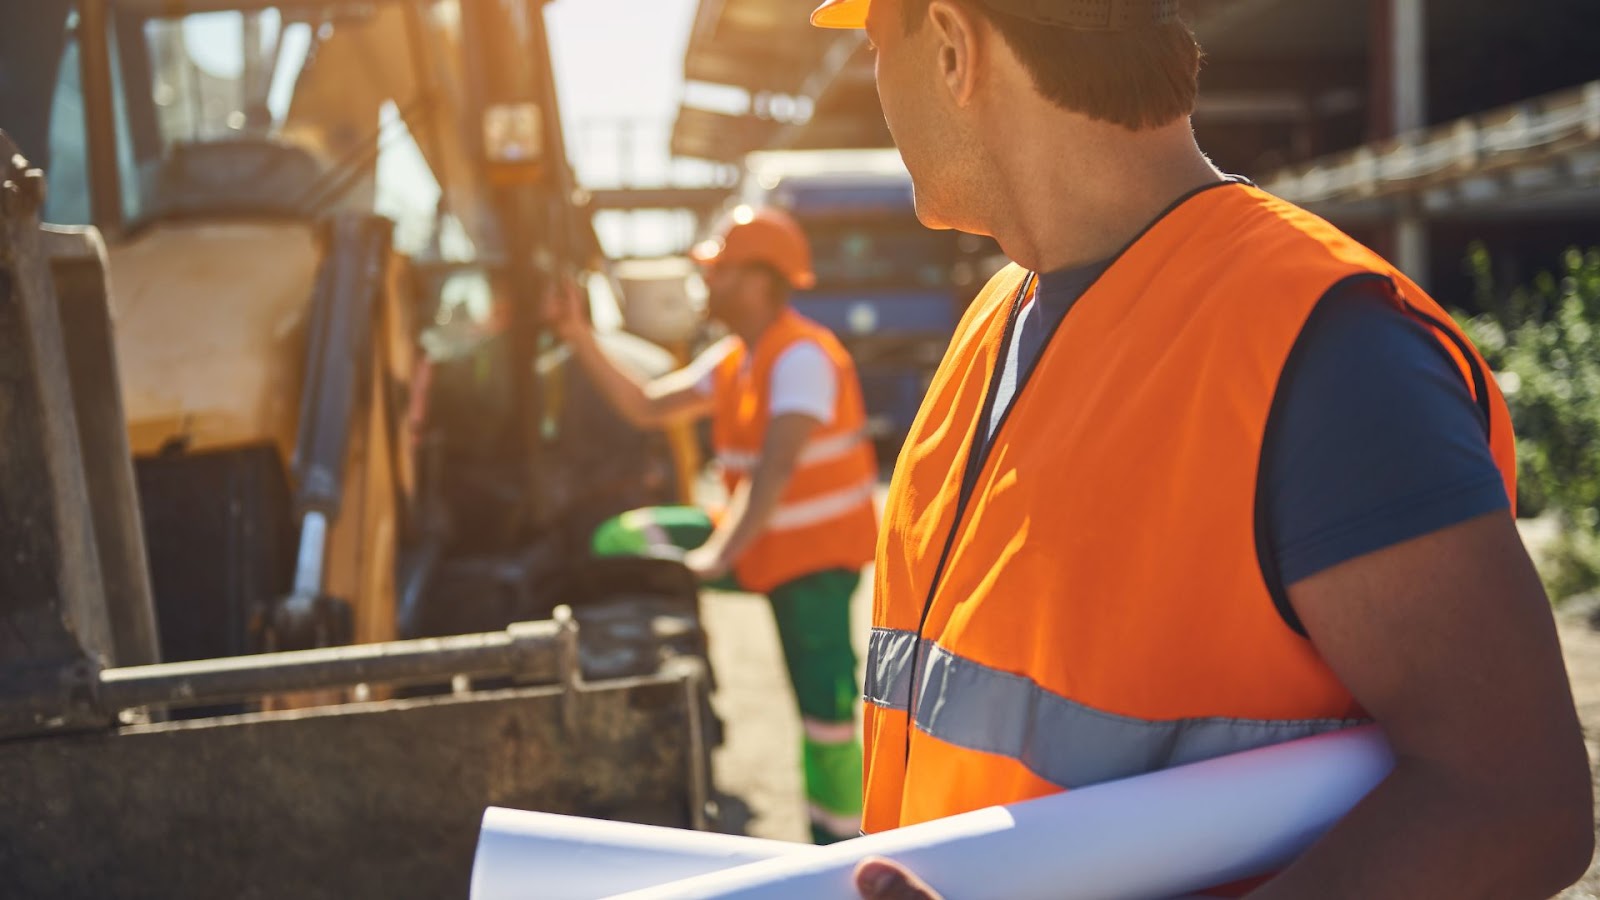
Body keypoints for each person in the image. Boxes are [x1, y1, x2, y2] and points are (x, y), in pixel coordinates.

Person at [802, 0, 1596, 896]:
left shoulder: (1327, 351)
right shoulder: (994, 321)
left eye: (875, 47)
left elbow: (1515, 805)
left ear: (951, 45)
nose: (876, 90)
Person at [543, 206, 879, 845]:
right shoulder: (736, 358)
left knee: (826, 715)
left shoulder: (801, 357)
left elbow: (774, 472)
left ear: (760, 280)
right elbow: (647, 406)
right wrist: (580, 335)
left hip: (812, 565)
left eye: (720, 271)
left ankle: (841, 845)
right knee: (625, 539)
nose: (708, 282)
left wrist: (718, 555)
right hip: (758, 544)